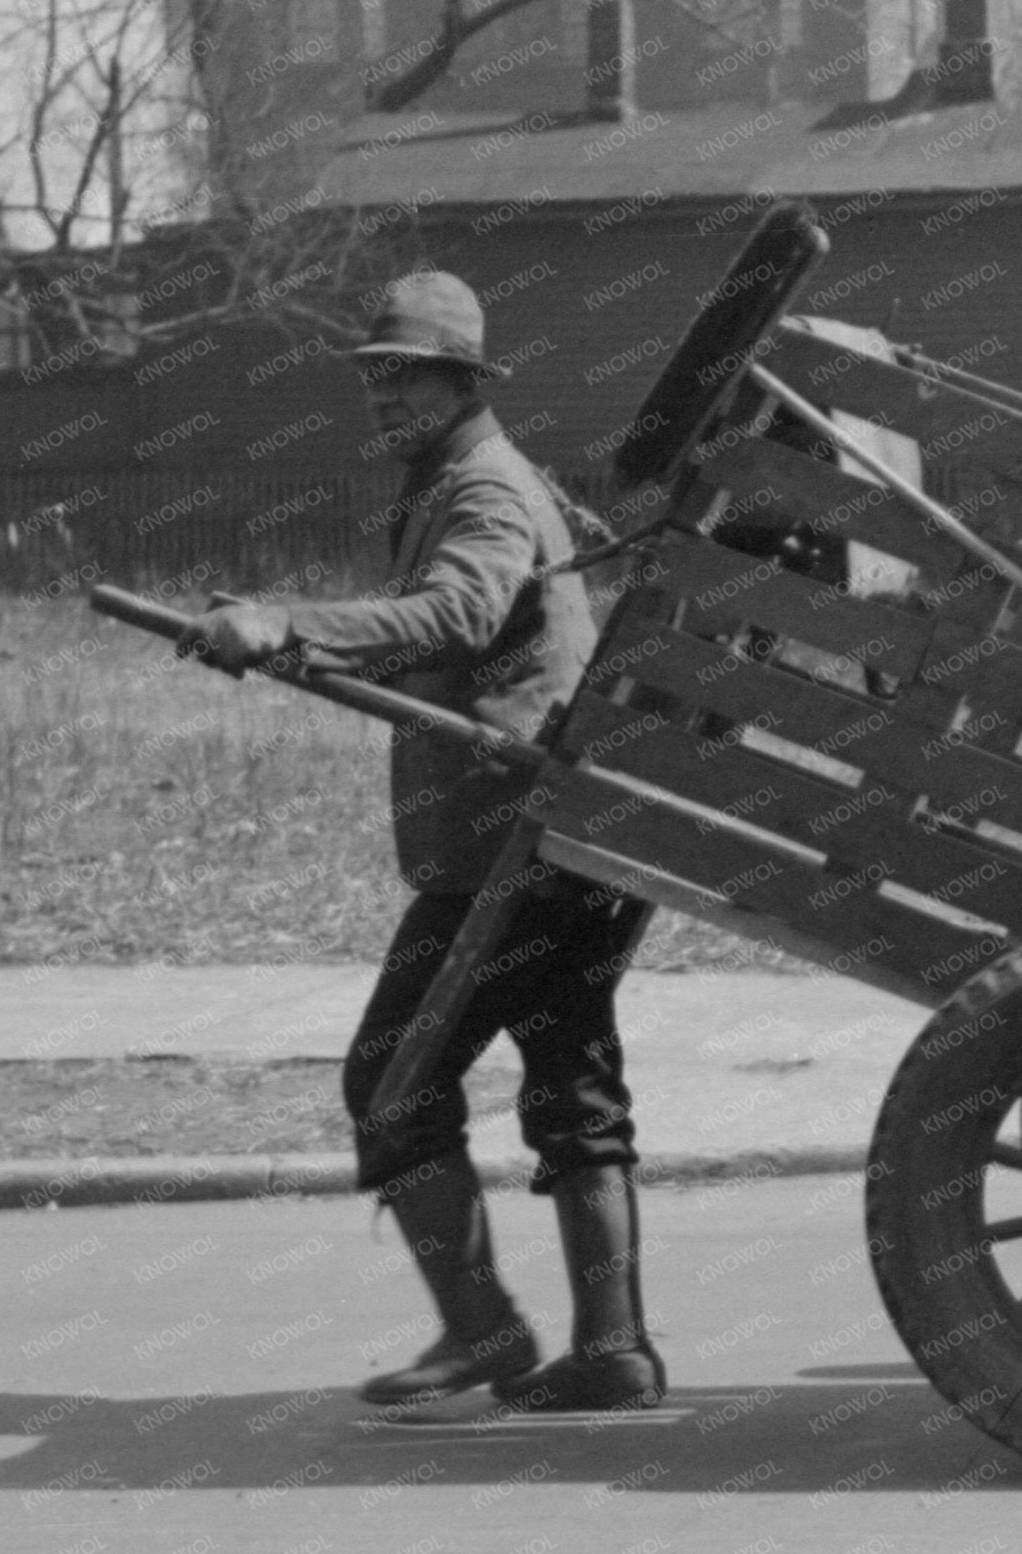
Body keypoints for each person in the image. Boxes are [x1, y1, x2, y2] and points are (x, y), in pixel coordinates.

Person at [190, 271, 667, 1413]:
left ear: (465, 381)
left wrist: (288, 621)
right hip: (558, 838)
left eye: (405, 377)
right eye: (375, 378)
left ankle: (485, 1331)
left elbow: (458, 612)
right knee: (570, 1080)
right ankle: (612, 1349)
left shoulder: (486, 492)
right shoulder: (461, 479)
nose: (383, 397)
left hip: (517, 847)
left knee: (393, 1085)